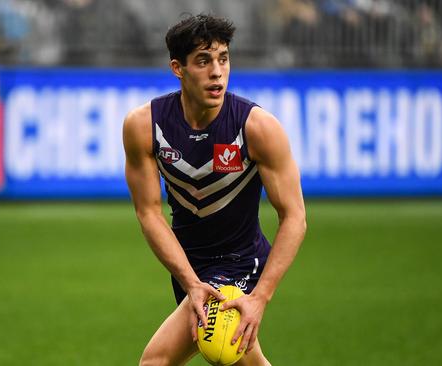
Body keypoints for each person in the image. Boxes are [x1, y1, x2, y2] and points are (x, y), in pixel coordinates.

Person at [123, 14, 306, 365]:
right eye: (203, 61)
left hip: (240, 263)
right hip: (190, 266)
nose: (217, 71)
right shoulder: (144, 126)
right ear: (178, 68)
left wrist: (260, 297)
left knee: (155, 361)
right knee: (241, 360)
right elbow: (148, 212)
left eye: (223, 58)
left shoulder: (257, 127)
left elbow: (295, 217)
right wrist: (190, 282)